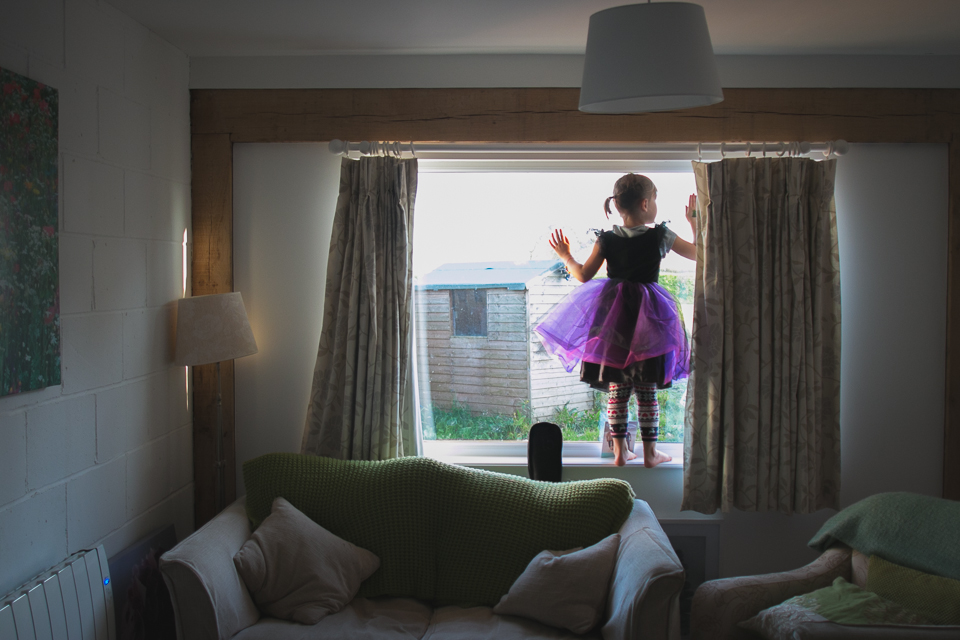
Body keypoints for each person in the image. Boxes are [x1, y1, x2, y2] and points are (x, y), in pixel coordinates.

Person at [535, 174, 697, 467]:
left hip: (613, 324)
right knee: (646, 387)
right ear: (646, 203)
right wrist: (695, 225)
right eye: (656, 200)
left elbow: (584, 275)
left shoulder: (606, 239)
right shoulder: (661, 236)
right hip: (649, 322)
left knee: (617, 387)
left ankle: (621, 452)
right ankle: (649, 453)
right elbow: (699, 254)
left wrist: (566, 255)